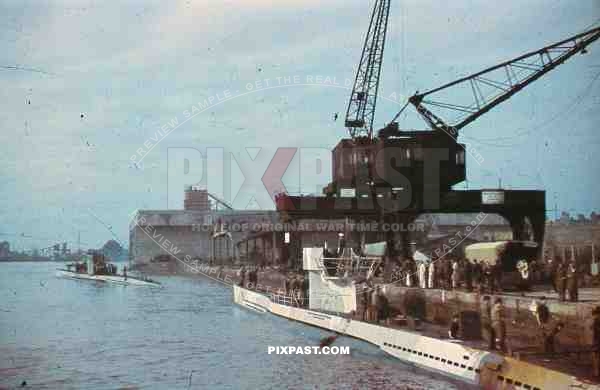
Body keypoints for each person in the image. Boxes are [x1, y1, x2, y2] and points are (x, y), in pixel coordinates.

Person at [591, 306, 600, 378]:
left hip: (597, 341)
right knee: (595, 355)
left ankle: (596, 372)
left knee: (595, 355)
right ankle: (596, 371)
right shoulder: (596, 320)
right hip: (596, 340)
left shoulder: (596, 320)